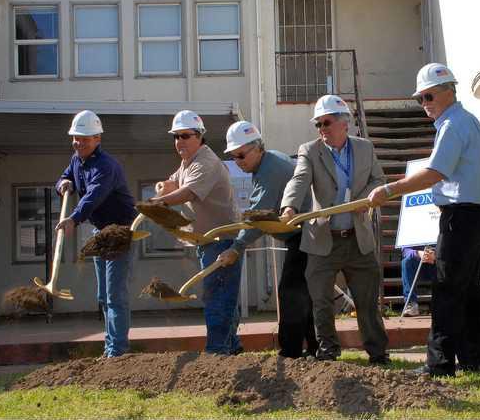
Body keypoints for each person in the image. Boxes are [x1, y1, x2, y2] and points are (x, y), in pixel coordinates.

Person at [368, 63, 480, 377]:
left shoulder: (452, 125)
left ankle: (439, 364)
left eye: (429, 96)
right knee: (469, 290)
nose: (424, 103)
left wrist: (390, 189)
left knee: (447, 289)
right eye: (420, 98)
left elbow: (435, 172)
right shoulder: (466, 121)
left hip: (460, 217)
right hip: (476, 216)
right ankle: (473, 359)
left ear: (450, 91)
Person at [280, 95, 390, 365]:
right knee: (321, 302)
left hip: (358, 240)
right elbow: (299, 179)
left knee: (367, 302)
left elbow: (378, 179)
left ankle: (378, 354)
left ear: (344, 123)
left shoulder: (365, 148)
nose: (322, 129)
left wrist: (364, 200)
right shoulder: (310, 150)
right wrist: (289, 206)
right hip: (322, 241)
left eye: (326, 122)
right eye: (318, 124)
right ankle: (328, 353)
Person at [217, 121, 319, 358]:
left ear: (257, 148)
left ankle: (291, 352)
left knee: (290, 293)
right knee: (302, 293)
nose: (238, 162)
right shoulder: (268, 161)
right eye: (233, 157)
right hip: (304, 235)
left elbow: (259, 217)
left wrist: (236, 247)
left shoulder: (269, 170)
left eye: (241, 155)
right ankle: (314, 348)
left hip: (305, 235)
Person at [151, 110, 241, 355]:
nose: (179, 141)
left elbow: (187, 192)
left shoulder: (205, 163)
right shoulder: (188, 162)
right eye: (176, 136)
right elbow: (173, 184)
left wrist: (159, 203)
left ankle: (217, 351)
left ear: (199, 136)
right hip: (208, 241)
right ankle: (231, 348)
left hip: (222, 240)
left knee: (217, 297)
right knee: (223, 296)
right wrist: (161, 188)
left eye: (185, 136)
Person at [55, 110, 137, 358]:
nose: (78, 143)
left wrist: (73, 219)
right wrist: (63, 184)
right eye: (75, 138)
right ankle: (110, 347)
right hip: (100, 230)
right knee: (103, 295)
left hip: (120, 232)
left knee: (115, 294)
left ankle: (117, 351)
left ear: (97, 139)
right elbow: (66, 176)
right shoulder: (77, 159)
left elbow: (92, 197)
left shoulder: (106, 166)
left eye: (84, 139)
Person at [400, 247, 436, 317]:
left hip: (437, 262)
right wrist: (418, 253)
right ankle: (411, 304)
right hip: (418, 265)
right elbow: (405, 251)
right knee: (406, 261)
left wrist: (436, 255)